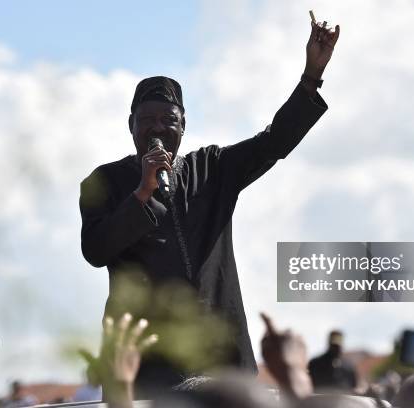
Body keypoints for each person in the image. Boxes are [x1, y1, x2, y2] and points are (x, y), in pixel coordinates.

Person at [79, 14, 340, 394]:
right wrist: (142, 194)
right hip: (144, 368)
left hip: (221, 362)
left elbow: (274, 142)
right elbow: (95, 250)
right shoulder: (104, 182)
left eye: (167, 119)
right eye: (146, 120)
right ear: (130, 125)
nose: (156, 128)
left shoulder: (213, 169)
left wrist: (311, 75)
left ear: (183, 125)